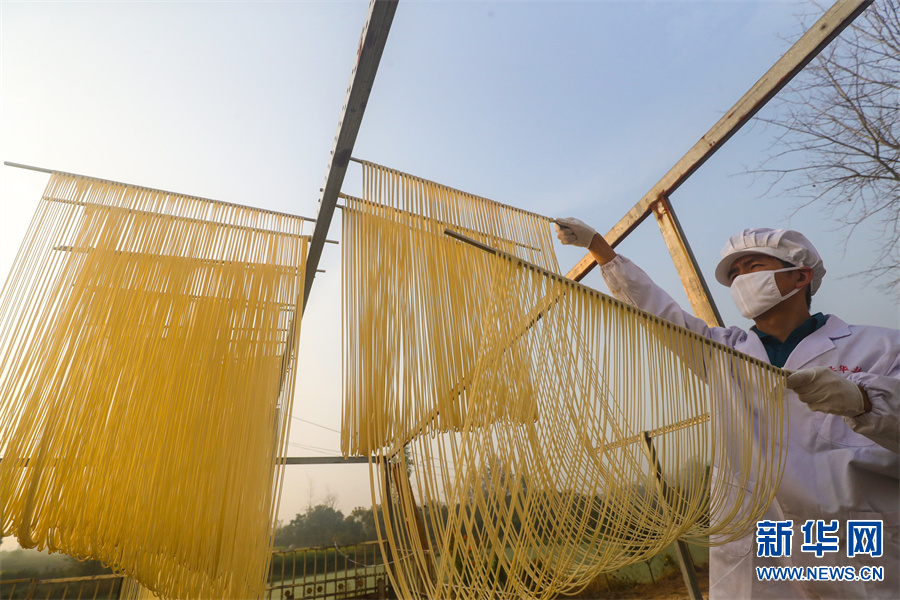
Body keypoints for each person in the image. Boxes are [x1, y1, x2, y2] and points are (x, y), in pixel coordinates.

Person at [554, 218, 899, 599]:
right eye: (734, 274)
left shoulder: (881, 347)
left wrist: (863, 400)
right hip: (768, 540)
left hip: (854, 534)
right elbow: (658, 315)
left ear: (801, 277)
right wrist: (602, 252)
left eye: (753, 267)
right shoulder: (724, 353)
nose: (741, 280)